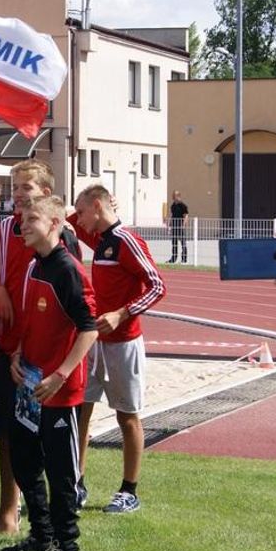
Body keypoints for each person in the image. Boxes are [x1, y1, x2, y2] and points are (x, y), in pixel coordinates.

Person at [0, 159, 81, 534]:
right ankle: (16, 508)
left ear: (45, 193)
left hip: (46, 355)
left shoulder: (61, 237)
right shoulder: (6, 229)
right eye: (15, 187)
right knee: (14, 433)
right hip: (13, 350)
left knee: (51, 444)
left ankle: (59, 527)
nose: (19, 194)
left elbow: (75, 306)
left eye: (26, 187)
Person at [3, 195, 97, 551]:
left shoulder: (67, 269)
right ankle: (41, 536)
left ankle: (67, 547)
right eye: (22, 219)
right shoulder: (32, 264)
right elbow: (29, 318)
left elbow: (88, 329)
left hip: (58, 390)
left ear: (56, 224)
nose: (23, 225)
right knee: (25, 462)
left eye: (32, 219)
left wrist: (61, 374)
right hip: (30, 381)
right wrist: (18, 354)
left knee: (61, 472)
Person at [69, 184, 165, 514]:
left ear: (97, 206)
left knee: (127, 416)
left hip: (124, 344)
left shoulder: (126, 240)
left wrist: (122, 313)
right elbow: (65, 216)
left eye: (83, 212)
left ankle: (129, 490)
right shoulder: (100, 237)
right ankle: (76, 482)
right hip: (95, 342)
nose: (78, 220)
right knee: (81, 409)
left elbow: (158, 286)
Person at [166, 190, 188, 264]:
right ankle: (173, 258)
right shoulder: (173, 206)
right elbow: (172, 216)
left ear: (178, 196)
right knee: (174, 243)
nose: (173, 197)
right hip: (174, 226)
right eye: (172, 195)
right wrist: (169, 226)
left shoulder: (183, 205)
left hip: (180, 226)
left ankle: (184, 260)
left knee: (183, 243)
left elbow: (186, 216)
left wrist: (183, 225)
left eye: (174, 196)